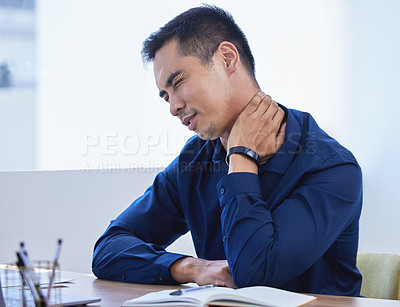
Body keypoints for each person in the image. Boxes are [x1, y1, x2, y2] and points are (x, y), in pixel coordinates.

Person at [92, 5, 362, 296]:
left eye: (178, 82)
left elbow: (253, 272)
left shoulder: (332, 168)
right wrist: (194, 268)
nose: (173, 107)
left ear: (227, 58)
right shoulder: (193, 161)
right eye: (165, 96)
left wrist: (241, 155)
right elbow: (109, 248)